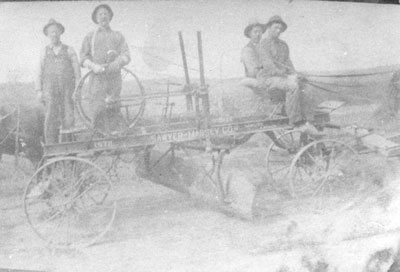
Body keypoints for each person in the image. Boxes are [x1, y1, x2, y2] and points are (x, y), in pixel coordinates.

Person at [257, 15, 320, 133]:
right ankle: (296, 122)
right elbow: (269, 66)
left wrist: (296, 74)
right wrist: (287, 76)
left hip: (282, 78)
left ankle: (309, 121)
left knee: (307, 87)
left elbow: (288, 63)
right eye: (276, 28)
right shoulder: (263, 44)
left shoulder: (283, 45)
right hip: (268, 79)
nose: (278, 31)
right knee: (292, 86)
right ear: (269, 28)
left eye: (280, 29)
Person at [80, 4, 131, 134]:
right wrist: (93, 66)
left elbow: (126, 55)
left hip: (114, 77)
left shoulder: (117, 35)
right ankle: (99, 141)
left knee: (113, 106)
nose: (103, 16)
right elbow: (83, 58)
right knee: (98, 108)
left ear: (110, 17)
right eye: (100, 14)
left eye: (105, 14)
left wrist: (117, 63)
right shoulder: (90, 37)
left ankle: (115, 142)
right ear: (96, 18)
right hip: (97, 78)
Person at [35, 19, 81, 144]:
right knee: (50, 116)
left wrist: (77, 89)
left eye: (56, 32)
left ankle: (69, 145)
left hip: (67, 89)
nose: (54, 34)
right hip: (49, 90)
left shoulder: (69, 50)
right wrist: (39, 90)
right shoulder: (44, 51)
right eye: (51, 32)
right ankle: (51, 146)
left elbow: (77, 72)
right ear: (48, 35)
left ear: (60, 33)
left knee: (68, 115)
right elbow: (39, 71)